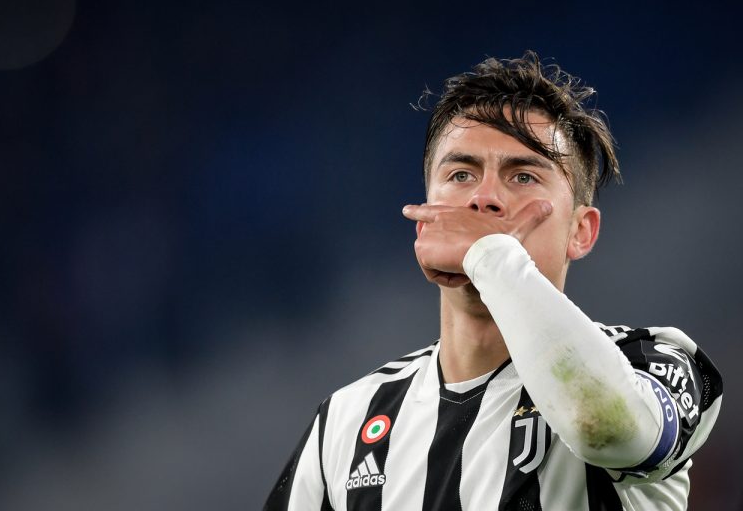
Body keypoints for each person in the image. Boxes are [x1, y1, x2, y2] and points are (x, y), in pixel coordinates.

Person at [263, 52, 723, 510]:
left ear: (580, 231)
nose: (484, 198)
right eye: (461, 175)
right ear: (426, 220)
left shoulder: (652, 362)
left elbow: (603, 428)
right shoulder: (345, 420)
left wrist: (491, 255)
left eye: (523, 176)